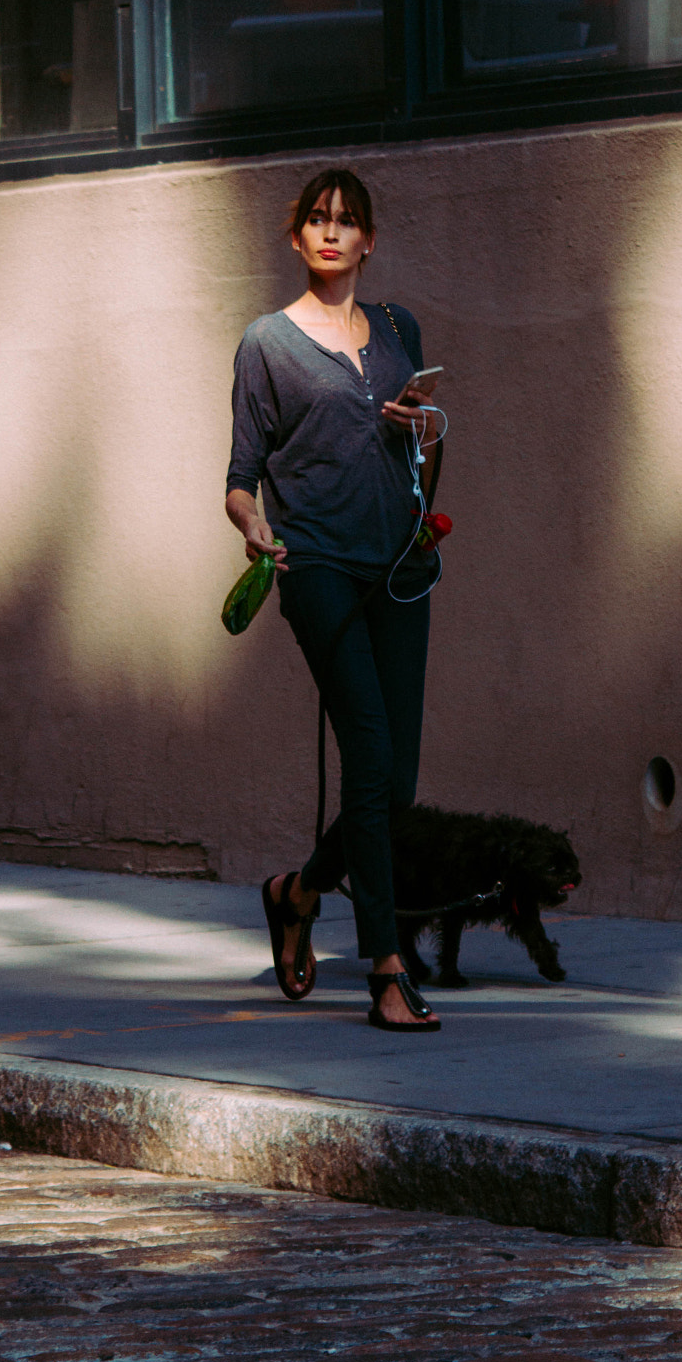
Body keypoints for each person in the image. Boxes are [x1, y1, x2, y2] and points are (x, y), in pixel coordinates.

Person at [225, 167, 443, 1032]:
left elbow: (416, 440)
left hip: (400, 566)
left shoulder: (396, 329)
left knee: (396, 785)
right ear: (296, 238)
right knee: (366, 753)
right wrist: (252, 526)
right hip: (314, 566)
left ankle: (299, 890)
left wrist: (425, 425)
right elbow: (240, 479)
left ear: (368, 242)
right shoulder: (266, 344)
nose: (329, 232)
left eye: (346, 222)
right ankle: (385, 968)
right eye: (316, 219)